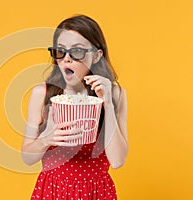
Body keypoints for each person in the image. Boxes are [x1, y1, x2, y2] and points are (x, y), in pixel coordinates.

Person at [21, 15, 128, 200]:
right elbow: (27, 158)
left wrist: (108, 104)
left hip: (97, 192)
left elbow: (117, 161)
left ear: (96, 55)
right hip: (53, 189)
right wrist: (47, 138)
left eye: (77, 51)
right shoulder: (42, 93)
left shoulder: (115, 93)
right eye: (60, 51)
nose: (66, 59)